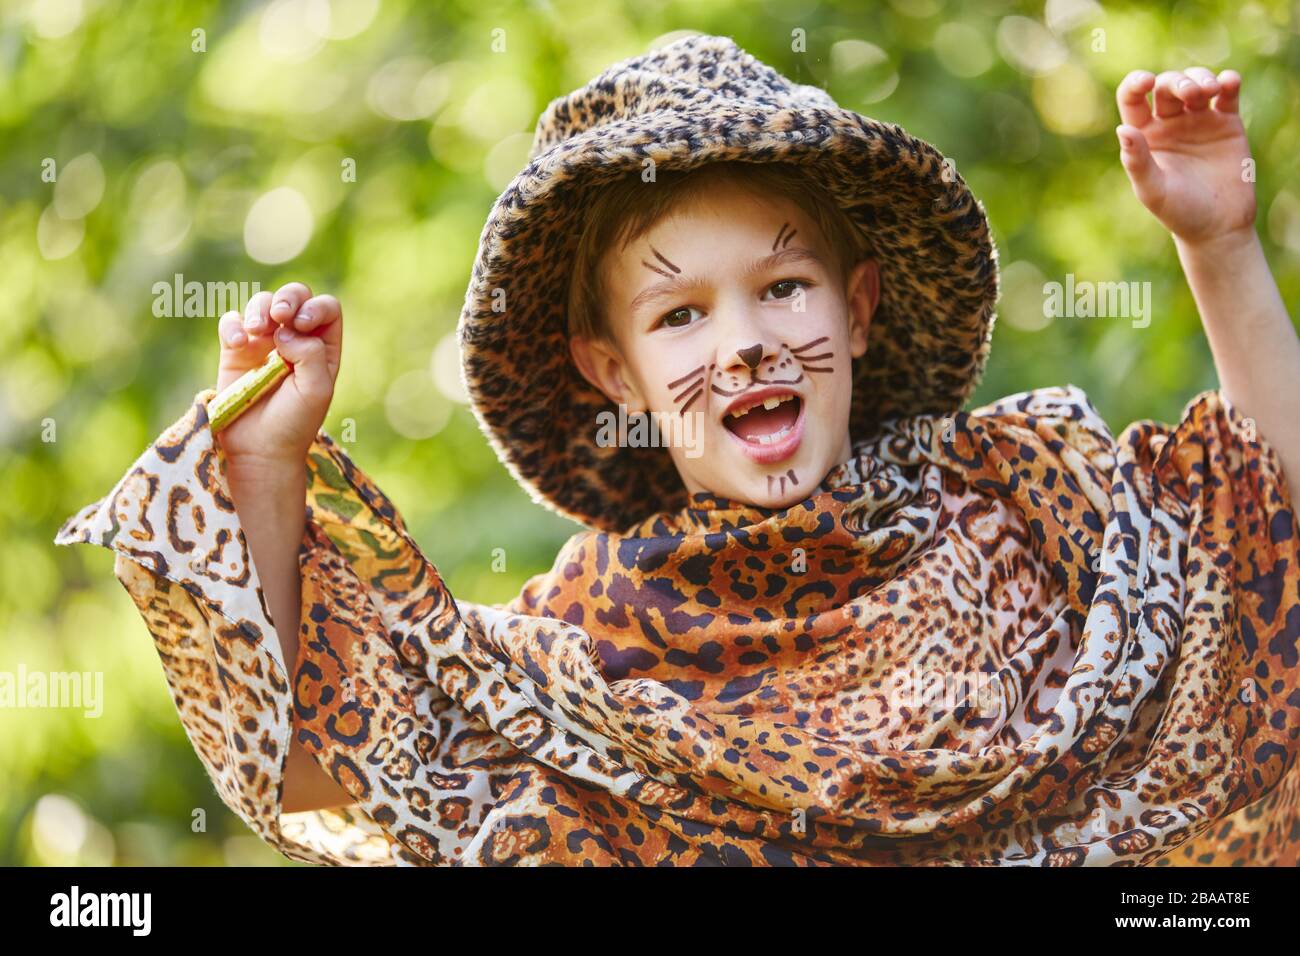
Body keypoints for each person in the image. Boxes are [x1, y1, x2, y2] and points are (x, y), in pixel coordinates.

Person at [57, 35, 1300, 865]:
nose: (749, 345)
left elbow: (1275, 530)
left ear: (856, 307)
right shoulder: (598, 642)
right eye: (680, 314)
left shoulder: (1028, 500)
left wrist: (1218, 246)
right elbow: (322, 767)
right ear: (617, 373)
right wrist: (269, 465)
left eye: (783, 287)